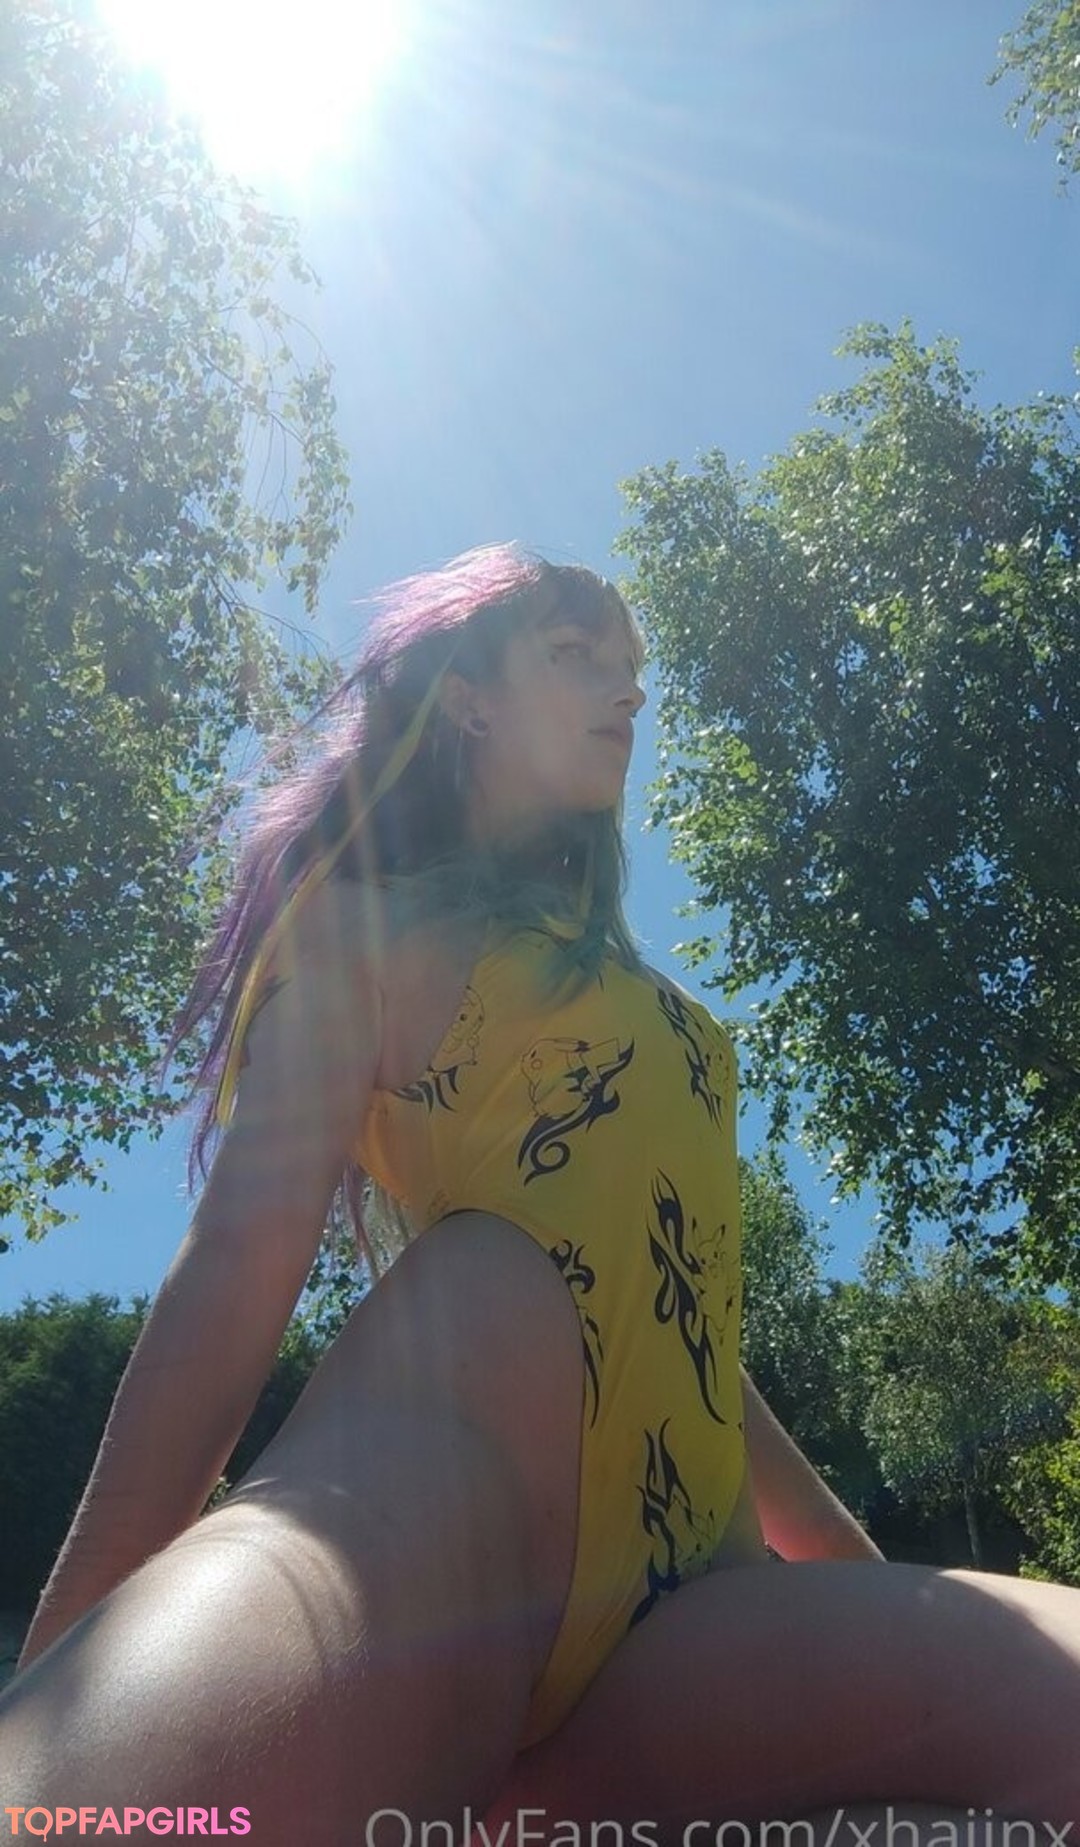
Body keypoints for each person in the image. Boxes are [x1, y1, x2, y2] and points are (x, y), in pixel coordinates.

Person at [1, 546, 1078, 1846]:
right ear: (469, 698)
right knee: (89, 1822)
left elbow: (684, 1310)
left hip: (696, 1589)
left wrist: (872, 1587)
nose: (627, 692)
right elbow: (238, 1261)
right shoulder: (358, 929)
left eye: (633, 673)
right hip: (427, 1504)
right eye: (577, 655)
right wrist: (69, 1653)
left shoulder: (635, 986)